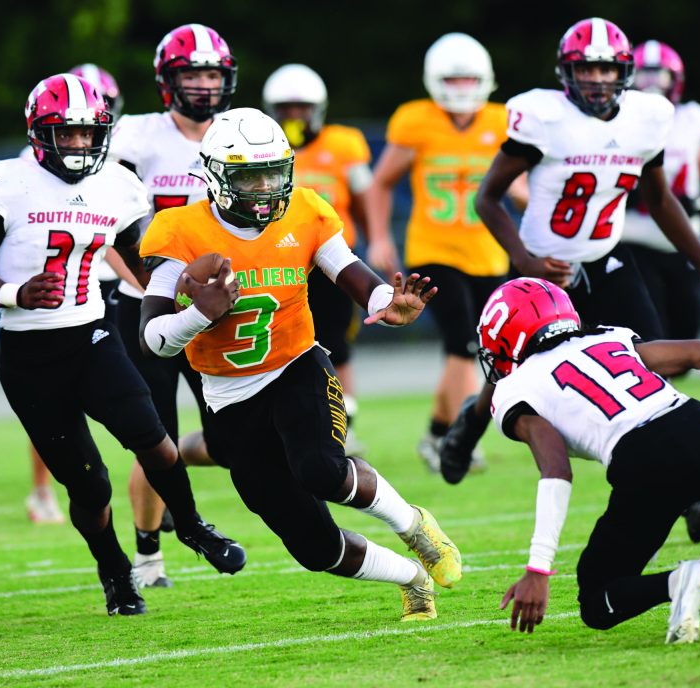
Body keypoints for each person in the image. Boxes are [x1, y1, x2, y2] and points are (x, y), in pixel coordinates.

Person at [138, 107, 462, 622]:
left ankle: (414, 525)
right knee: (314, 547)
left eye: (273, 173)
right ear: (215, 176)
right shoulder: (179, 229)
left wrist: (386, 301)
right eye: (250, 177)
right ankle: (411, 578)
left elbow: (350, 271)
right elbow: (152, 339)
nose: (266, 188)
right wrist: (200, 314)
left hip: (296, 366)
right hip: (228, 396)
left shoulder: (306, 210)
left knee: (321, 469)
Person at [0, 73, 246, 617]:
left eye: (88, 133)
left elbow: (144, 263)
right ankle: (114, 570)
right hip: (29, 355)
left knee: (155, 439)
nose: (78, 143)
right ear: (39, 132)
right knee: (90, 487)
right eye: (65, 133)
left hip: (93, 335)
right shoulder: (3, 183)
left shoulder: (117, 184)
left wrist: (188, 289)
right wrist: (17, 292)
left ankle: (191, 526)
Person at [440, 17, 700, 484]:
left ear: (623, 71)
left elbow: (661, 201)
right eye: (586, 69)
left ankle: (683, 482)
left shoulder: (646, 118)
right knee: (509, 377)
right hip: (541, 272)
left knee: (650, 367)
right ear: (567, 72)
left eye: (606, 69)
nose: (597, 79)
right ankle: (471, 422)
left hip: (605, 260)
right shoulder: (545, 119)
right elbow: (488, 198)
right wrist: (526, 261)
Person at [479, 277, 700, 643]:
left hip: (645, 459)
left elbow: (556, 469)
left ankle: (680, 581)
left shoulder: (514, 388)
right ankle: (682, 581)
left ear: (508, 339)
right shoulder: (609, 337)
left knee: (597, 598)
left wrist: (538, 567)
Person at [109, 23, 238, 589]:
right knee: (152, 435)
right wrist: (150, 284)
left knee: (231, 440)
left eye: (212, 74)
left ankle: (178, 456)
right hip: (148, 307)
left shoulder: (238, 134)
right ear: (168, 81)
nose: (205, 85)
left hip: (215, 312)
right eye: (193, 74)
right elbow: (107, 224)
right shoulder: (137, 137)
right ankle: (147, 557)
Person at [365, 33, 525, 473]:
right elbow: (381, 182)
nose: (460, 89)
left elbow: (520, 185)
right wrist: (379, 237)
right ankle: (462, 438)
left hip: (488, 253)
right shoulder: (416, 120)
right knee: (463, 344)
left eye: (467, 79)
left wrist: (533, 207)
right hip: (433, 250)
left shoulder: (502, 120)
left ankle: (437, 434)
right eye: (452, 80)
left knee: (472, 348)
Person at [624, 41, 700, 543]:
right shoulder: (617, 117)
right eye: (643, 74)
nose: (652, 84)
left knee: (681, 353)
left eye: (660, 75)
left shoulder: (692, 120)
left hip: (683, 251)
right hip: (628, 248)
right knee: (649, 351)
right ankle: (682, 466)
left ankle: (680, 453)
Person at [22, 62, 128, 526]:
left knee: (132, 391)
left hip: (111, 285)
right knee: (54, 399)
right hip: (61, 290)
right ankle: (44, 489)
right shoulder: (31, 168)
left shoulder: (115, 162)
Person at [262, 63, 372, 455]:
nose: (294, 116)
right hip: (279, 262)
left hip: (331, 263)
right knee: (280, 344)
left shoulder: (343, 145)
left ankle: (344, 425)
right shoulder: (260, 148)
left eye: (302, 108)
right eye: (286, 108)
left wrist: (377, 240)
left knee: (336, 346)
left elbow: (364, 198)